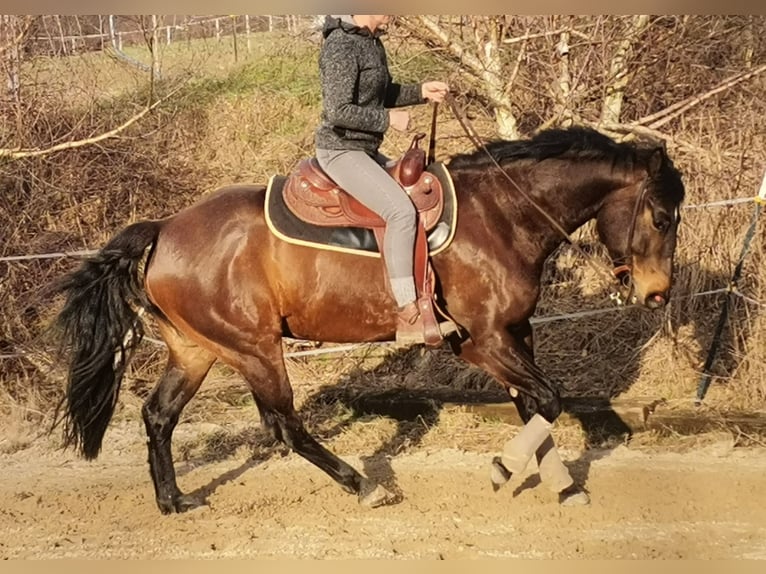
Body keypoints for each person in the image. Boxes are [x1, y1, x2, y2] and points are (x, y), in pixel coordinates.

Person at [314, 14, 454, 345]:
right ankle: (407, 309)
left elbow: (380, 92)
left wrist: (421, 91)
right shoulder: (341, 46)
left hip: (365, 150)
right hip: (340, 151)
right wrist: (387, 120)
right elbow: (337, 110)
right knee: (401, 212)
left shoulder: (371, 41)